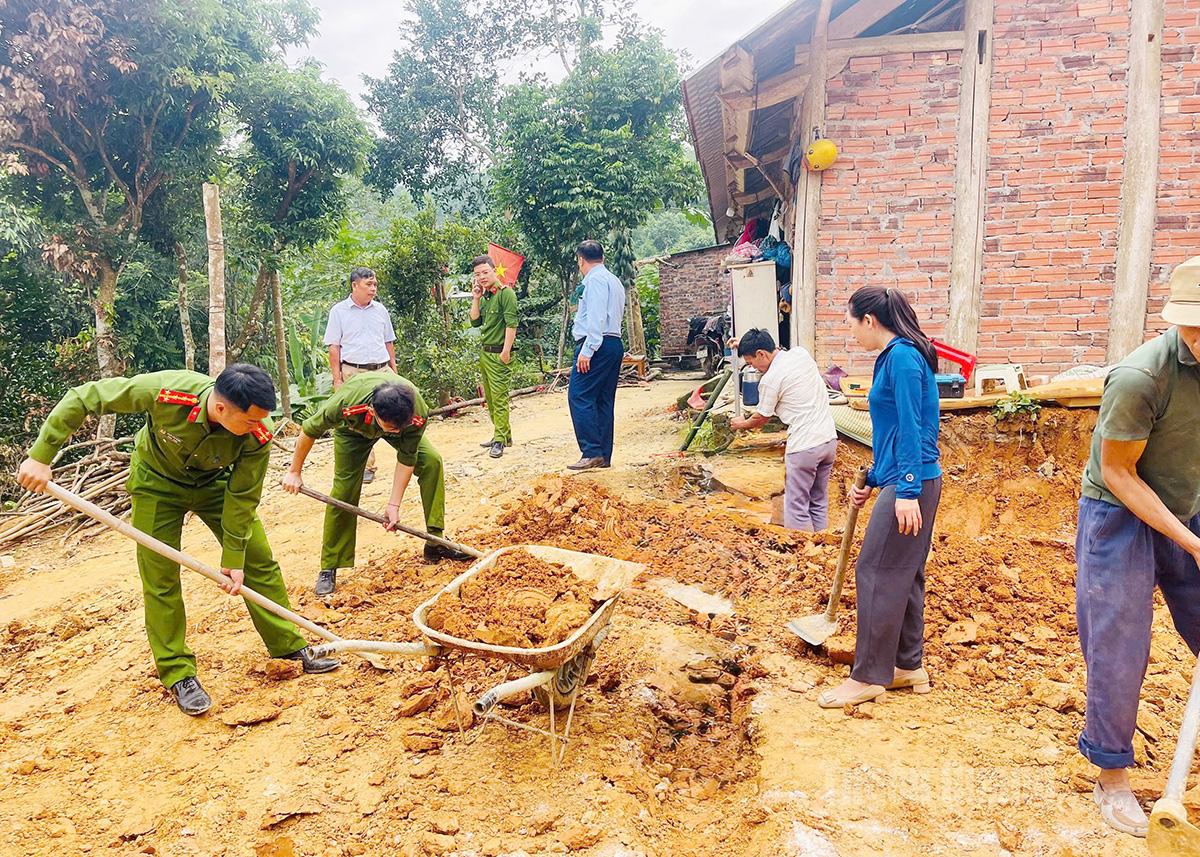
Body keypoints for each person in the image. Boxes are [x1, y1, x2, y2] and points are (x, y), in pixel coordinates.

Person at [15, 365, 338, 716]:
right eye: (250, 421)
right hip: (157, 485)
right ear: (220, 408)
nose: (259, 427)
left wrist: (234, 556)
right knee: (161, 578)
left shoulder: (257, 432)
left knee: (257, 560)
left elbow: (243, 496)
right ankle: (178, 674)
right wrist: (40, 455)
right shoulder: (167, 393)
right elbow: (84, 397)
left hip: (214, 485)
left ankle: (288, 646)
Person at [1073, 256, 1200, 838]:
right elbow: (1120, 474)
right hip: (1119, 513)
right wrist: (1189, 541)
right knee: (1120, 641)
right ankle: (1111, 774)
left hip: (1187, 499)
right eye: (1192, 325)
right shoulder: (1140, 377)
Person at [816, 287, 941, 709]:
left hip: (914, 483)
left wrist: (905, 489)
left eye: (850, 323)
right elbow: (890, 434)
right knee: (905, 572)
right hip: (906, 478)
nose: (851, 334)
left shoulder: (903, 358)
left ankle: (868, 675)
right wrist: (872, 477)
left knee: (875, 570)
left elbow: (912, 428)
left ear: (869, 320)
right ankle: (907, 665)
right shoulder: (895, 357)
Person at [283, 372, 474, 596]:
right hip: (352, 431)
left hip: (397, 422)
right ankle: (329, 566)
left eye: (399, 427)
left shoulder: (415, 413)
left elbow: (407, 458)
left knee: (431, 462)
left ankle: (436, 541)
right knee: (344, 490)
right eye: (391, 427)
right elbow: (309, 430)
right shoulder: (346, 403)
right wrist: (294, 472)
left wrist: (393, 505)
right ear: (373, 412)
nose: (395, 431)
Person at [729, 329, 838, 531]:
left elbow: (761, 417)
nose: (753, 367)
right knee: (818, 501)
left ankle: (802, 555)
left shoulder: (771, 380)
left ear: (761, 353)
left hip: (804, 447)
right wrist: (743, 344)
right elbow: (769, 348)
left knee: (796, 506)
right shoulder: (800, 354)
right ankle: (822, 549)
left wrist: (740, 424)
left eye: (751, 362)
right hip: (829, 441)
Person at [324, 267, 397, 483]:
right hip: (353, 371)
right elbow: (334, 347)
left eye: (375, 284)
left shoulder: (381, 310)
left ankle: (408, 455)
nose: (373, 289)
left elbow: (388, 341)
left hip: (382, 369)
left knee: (396, 408)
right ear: (354, 285)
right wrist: (337, 379)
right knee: (356, 417)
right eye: (368, 285)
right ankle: (366, 465)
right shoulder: (338, 312)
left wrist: (394, 369)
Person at [567, 240, 625, 471]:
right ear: (602, 257)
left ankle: (591, 451)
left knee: (579, 395)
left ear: (580, 259)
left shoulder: (595, 281)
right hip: (613, 343)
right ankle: (603, 454)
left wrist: (588, 349)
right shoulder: (614, 280)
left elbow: (597, 317)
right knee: (602, 399)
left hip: (597, 343)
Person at [469, 255, 519, 459]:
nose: (481, 277)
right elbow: (474, 321)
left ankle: (499, 439)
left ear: (494, 271)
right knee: (490, 397)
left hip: (499, 353)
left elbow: (511, 324)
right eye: (477, 274)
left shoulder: (506, 294)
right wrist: (476, 297)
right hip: (485, 353)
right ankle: (503, 435)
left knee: (499, 398)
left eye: (485, 272)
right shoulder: (486, 295)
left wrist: (506, 351)